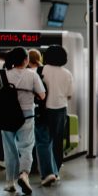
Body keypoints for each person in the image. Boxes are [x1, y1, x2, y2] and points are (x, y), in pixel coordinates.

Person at [0, 47, 46, 195]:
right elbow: (42, 95)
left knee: (9, 149)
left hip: (6, 116)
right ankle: (24, 175)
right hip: (27, 116)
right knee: (26, 147)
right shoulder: (32, 75)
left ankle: (9, 182)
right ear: (26, 60)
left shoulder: (3, 74)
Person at [34, 45, 73, 185]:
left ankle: (47, 173)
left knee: (43, 141)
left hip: (43, 109)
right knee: (57, 141)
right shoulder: (67, 73)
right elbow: (69, 94)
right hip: (61, 109)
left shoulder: (40, 70)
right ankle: (55, 172)